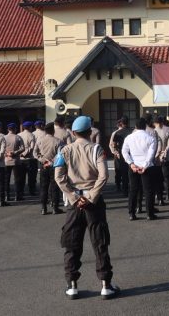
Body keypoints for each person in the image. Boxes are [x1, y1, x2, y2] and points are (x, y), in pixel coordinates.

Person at [53, 115, 119, 300]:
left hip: (74, 203)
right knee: (100, 242)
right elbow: (103, 175)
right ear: (90, 132)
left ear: (73, 133)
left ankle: (72, 285)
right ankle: (105, 285)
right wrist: (90, 197)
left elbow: (59, 177)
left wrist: (74, 197)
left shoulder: (64, 151)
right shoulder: (97, 149)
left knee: (72, 243)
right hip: (93, 202)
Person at [122, 117, 158, 221]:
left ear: (135, 126)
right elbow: (151, 154)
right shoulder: (150, 138)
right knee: (148, 191)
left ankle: (131, 213)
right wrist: (145, 165)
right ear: (145, 126)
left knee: (133, 190)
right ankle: (149, 214)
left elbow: (124, 151)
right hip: (147, 167)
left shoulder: (129, 137)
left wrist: (131, 163)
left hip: (134, 166)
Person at [35, 123, 64, 215]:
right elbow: (60, 154)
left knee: (43, 187)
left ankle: (43, 208)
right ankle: (55, 207)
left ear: (45, 131)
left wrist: (43, 160)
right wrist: (51, 161)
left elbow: (35, 153)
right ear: (53, 130)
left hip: (43, 165)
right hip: (54, 166)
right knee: (54, 187)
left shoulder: (40, 140)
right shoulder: (58, 141)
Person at [154, 116, 169, 201]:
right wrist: (165, 151)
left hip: (155, 157)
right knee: (167, 176)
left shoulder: (153, 131)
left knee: (157, 177)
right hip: (166, 156)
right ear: (162, 122)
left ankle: (158, 195)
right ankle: (168, 194)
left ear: (155, 123)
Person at [108, 117, 132, 196]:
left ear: (121, 123)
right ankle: (130, 188)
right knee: (130, 171)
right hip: (130, 153)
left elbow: (113, 145)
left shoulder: (117, 133)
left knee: (121, 171)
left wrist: (116, 152)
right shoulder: (132, 132)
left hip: (120, 154)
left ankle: (121, 188)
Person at [4, 123, 26, 201]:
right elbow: (23, 148)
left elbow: (1, 149)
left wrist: (6, 153)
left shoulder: (4, 138)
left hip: (6, 160)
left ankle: (7, 196)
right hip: (16, 161)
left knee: (6, 179)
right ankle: (17, 195)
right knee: (17, 179)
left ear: (8, 129)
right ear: (15, 129)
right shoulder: (18, 137)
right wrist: (15, 152)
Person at [19, 121, 37, 197]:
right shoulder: (32, 135)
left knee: (21, 177)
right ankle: (31, 191)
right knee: (31, 176)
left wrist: (21, 154)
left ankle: (21, 191)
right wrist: (25, 153)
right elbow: (32, 147)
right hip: (30, 159)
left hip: (20, 159)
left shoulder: (19, 135)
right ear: (30, 127)